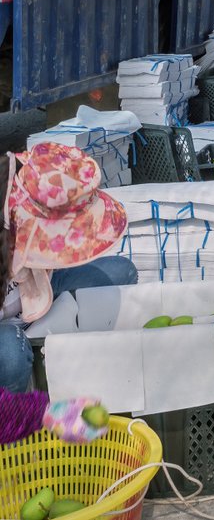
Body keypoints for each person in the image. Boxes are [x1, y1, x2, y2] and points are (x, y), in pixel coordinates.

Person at [1, 144, 137, 392]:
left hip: (34, 289)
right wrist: (40, 412)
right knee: (11, 355)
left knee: (121, 273)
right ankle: (17, 416)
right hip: (7, 331)